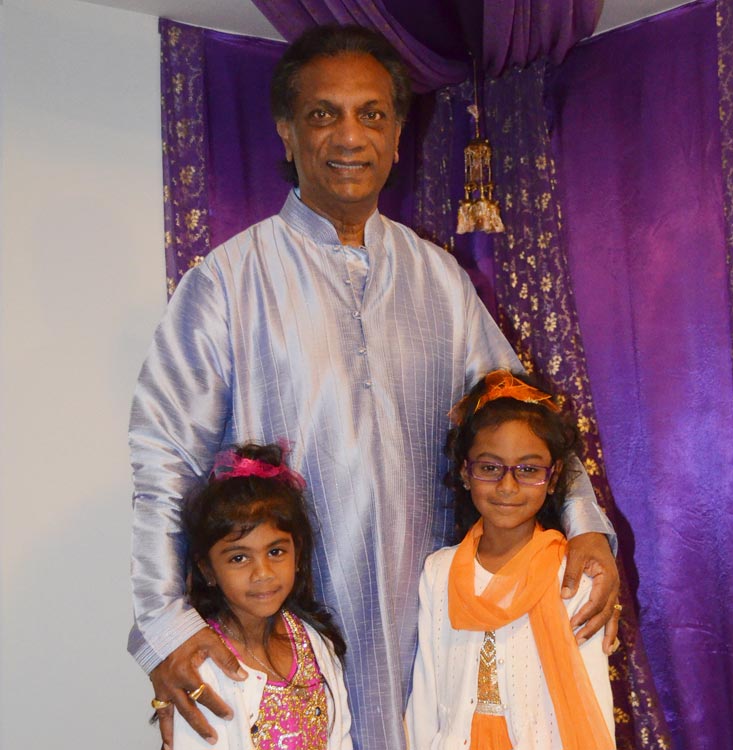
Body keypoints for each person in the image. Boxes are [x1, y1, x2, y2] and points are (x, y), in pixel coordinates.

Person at [129, 24, 619, 750]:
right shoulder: (228, 282)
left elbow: (523, 418)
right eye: (323, 114)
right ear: (287, 131)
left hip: (439, 630)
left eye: (372, 114)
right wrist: (165, 624)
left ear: (396, 137)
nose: (350, 135)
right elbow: (164, 461)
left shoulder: (441, 282)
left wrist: (586, 526)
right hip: (291, 637)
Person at [405, 370, 616, 749]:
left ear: (554, 478)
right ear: (465, 472)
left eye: (528, 470)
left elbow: (592, 701)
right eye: (490, 468)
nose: (507, 486)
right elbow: (426, 693)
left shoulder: (572, 578)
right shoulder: (439, 571)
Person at [166, 443, 352, 750]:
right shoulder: (203, 667)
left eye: (276, 552)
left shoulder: (315, 643)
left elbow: (339, 737)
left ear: (297, 554)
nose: (262, 573)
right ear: (208, 569)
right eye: (239, 558)